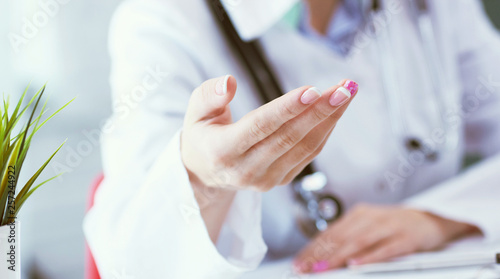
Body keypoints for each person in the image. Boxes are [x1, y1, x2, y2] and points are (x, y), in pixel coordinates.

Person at [84, 0, 500, 277]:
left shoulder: (435, 7)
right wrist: (201, 179)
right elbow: (136, 261)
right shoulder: (163, 19)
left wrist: (439, 217)